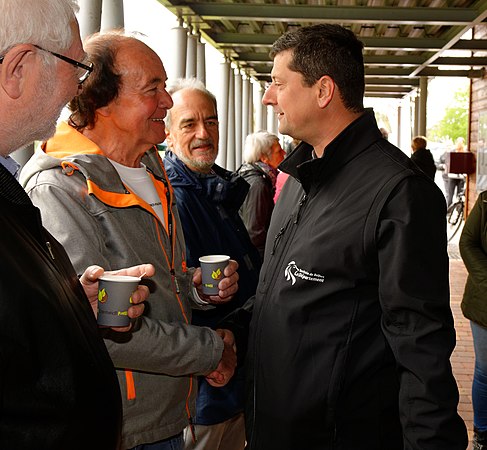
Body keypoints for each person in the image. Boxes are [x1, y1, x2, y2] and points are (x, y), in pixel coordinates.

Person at [223, 23, 468, 449]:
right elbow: (287, 295)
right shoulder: (299, 177)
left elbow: (420, 346)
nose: (267, 96)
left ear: (323, 91)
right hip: (274, 427)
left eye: (278, 83)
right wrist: (233, 332)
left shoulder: (399, 192)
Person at [20, 34, 239, 450]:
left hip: (170, 415)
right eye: (152, 89)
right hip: (124, 429)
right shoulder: (59, 188)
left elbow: (152, 282)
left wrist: (193, 287)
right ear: (101, 100)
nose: (168, 102)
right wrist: (210, 350)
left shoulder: (150, 167)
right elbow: (100, 322)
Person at [0, 1, 151, 448]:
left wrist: (67, 310)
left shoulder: (8, 181)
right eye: (76, 64)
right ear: (19, 68)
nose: (80, 83)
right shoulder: (50, 180)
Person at [163, 78, 261, 450]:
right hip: (206, 390)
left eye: (212, 121)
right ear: (168, 135)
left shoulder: (216, 190)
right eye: (189, 123)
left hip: (230, 384)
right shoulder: (177, 200)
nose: (204, 133)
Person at [459, 191, 487, 450]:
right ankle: (482, 432)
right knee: (485, 371)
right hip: (484, 304)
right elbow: (467, 242)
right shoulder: (486, 201)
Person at [238, 130, 285, 259]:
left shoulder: (251, 175)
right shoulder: (258, 184)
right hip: (257, 257)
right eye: (279, 151)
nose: (284, 154)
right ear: (264, 158)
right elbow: (255, 232)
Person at [440, 137, 467, 206]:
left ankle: (458, 211)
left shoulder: (465, 153)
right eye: (458, 142)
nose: (459, 144)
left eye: (461, 143)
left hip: (461, 177)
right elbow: (444, 162)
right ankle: (448, 210)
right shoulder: (451, 152)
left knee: (459, 195)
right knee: (450, 195)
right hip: (452, 177)